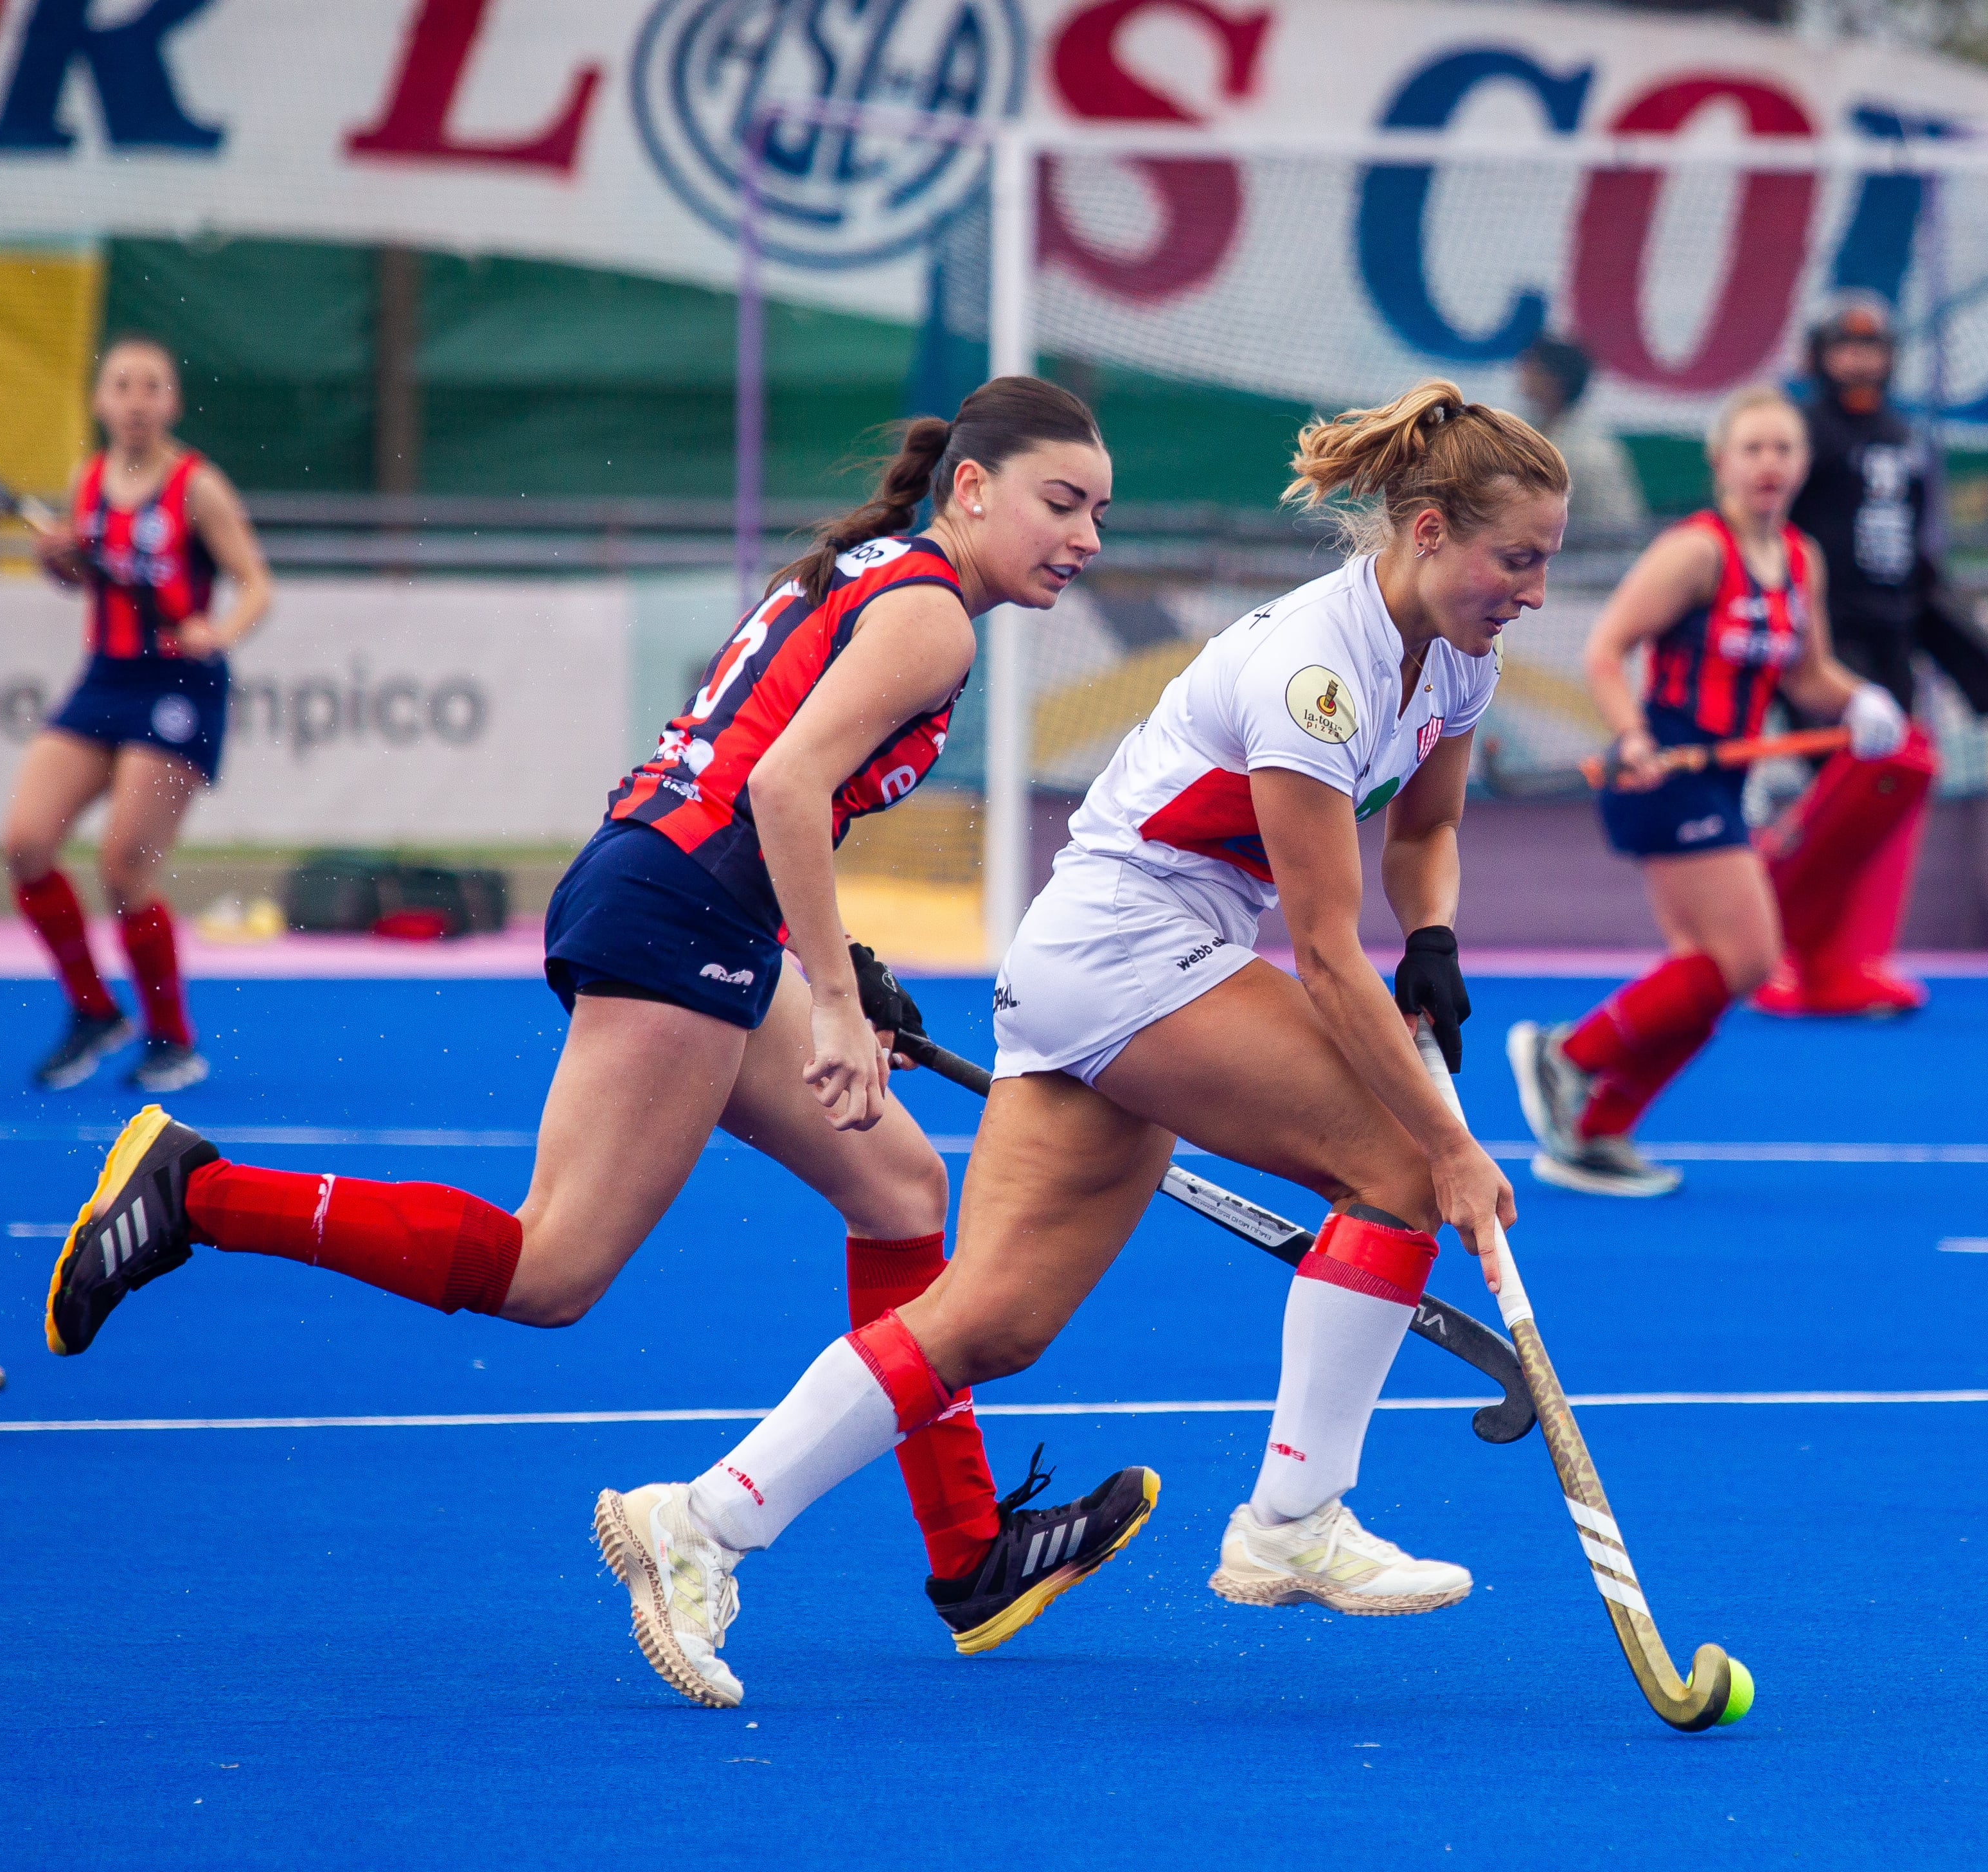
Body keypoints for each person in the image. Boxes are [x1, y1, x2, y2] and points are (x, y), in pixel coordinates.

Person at [47, 378, 1160, 1658]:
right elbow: (785, 787)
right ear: (971, 487)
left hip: (683, 891)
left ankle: (969, 1552)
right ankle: (195, 1194)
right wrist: (832, 1000)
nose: (1085, 538)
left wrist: (833, 961)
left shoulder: (884, 574)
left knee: (902, 1185)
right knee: (552, 1270)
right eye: (1061, 504)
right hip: (684, 909)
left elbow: (758, 767)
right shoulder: (933, 620)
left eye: (1100, 513)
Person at [589, 381, 1565, 1709]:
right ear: (1431, 530)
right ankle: (1294, 1520)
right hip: (1131, 950)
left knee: (991, 1322)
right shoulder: (1316, 673)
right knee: (1397, 1162)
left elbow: (1427, 830)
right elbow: (1331, 957)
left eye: (1546, 562)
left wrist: (1434, 936)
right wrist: (1450, 1146)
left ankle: (699, 1519)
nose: (1534, 591)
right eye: (1517, 559)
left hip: (1106, 964)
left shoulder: (1458, 655)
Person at [1505, 384, 1906, 1199]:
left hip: (1724, 782)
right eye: (1752, 449)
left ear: (1802, 464)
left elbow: (1805, 675)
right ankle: (1566, 1054)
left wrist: (1863, 703)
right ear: (1720, 461)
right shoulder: (1696, 551)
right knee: (1748, 959)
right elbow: (1605, 649)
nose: (1768, 464)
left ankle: (1597, 1131)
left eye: (1782, 449)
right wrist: (1633, 737)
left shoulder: (1798, 559)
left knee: (1712, 972)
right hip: (1664, 774)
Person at [8, 336, 274, 1092]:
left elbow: (256, 583)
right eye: (121, 385)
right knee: (25, 843)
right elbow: (82, 579)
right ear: (100, 402)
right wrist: (60, 561)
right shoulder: (87, 480)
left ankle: (171, 1038)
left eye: (151, 386)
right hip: (106, 677)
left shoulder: (197, 487)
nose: (135, 401)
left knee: (125, 867)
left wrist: (219, 631)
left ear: (172, 403)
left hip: (179, 685)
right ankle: (93, 1011)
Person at [1766, 294, 1988, 1018]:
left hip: (1891, 636)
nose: (1858, 362)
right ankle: (1779, 947)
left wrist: (1947, 634)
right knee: (1833, 797)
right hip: (1824, 638)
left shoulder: (1906, 438)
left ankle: (1847, 959)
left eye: (1871, 349)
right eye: (1845, 348)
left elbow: (1916, 548)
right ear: (1819, 356)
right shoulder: (1802, 433)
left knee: (1880, 798)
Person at [1514, 334, 1646, 532]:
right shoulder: (1535, 433)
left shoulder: (1588, 452)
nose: (1523, 376)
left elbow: (1618, 531)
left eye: (1533, 370)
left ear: (1554, 381)